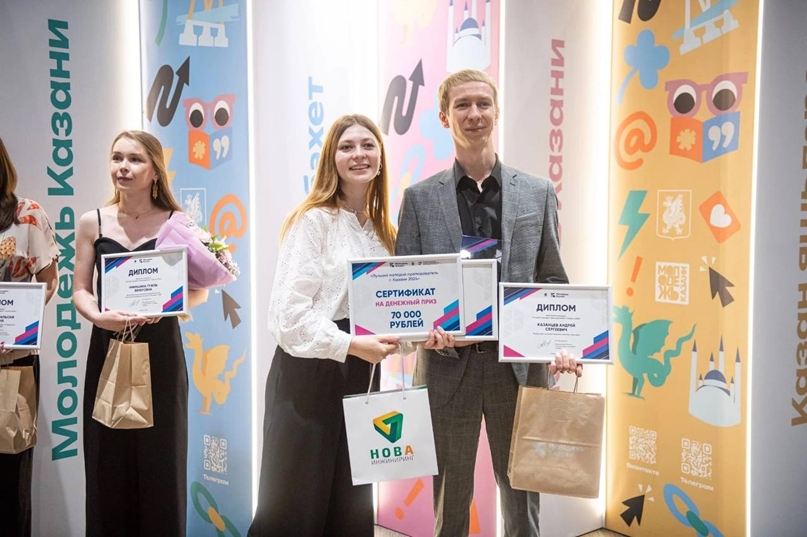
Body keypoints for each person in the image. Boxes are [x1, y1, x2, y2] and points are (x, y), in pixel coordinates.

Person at [396, 70, 584, 537]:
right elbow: (406, 287)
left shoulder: (537, 192)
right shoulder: (418, 199)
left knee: (523, 505)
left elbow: (552, 279)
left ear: (497, 112)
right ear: (444, 117)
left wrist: (560, 343)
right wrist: (421, 333)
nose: (474, 114)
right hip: (446, 368)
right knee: (450, 506)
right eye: (462, 105)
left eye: (483, 103)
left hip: (517, 369)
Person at [249, 114, 452, 537]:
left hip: (360, 378)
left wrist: (422, 337)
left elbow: (394, 317)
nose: (358, 154)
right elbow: (287, 317)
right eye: (347, 146)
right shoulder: (313, 221)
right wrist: (353, 345)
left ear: (380, 158)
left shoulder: (384, 232)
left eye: (367, 145)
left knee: (349, 503)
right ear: (332, 158)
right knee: (294, 503)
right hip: (307, 378)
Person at [73, 131, 208, 536]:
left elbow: (199, 291)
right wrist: (99, 317)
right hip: (109, 348)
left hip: (161, 351)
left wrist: (165, 307)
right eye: (117, 158)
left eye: (134, 160)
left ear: (155, 171)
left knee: (161, 463)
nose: (123, 168)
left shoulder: (177, 223)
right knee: (107, 463)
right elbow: (80, 290)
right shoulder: (92, 222)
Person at [0, 137, 59, 537]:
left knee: (10, 483)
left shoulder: (27, 215)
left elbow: (49, 281)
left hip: (12, 364)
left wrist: (18, 325)